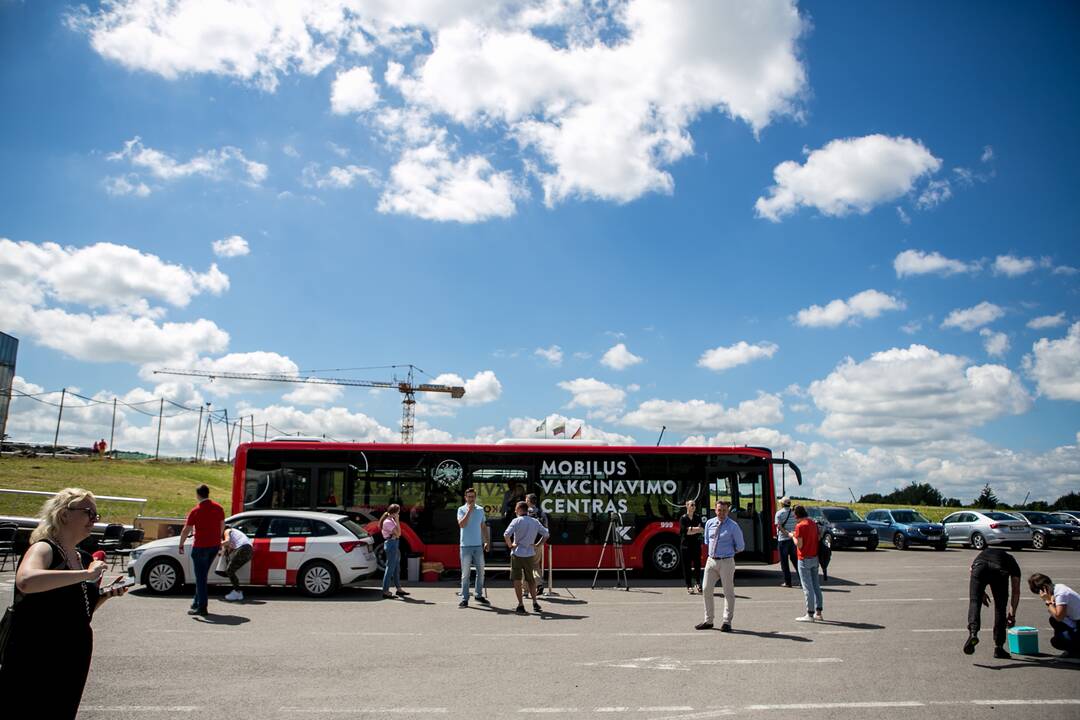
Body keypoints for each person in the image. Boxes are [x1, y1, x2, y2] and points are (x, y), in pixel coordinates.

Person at [0, 488, 127, 717]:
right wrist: (86, 576)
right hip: (37, 654)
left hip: (71, 653)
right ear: (64, 514)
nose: (94, 519)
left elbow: (79, 612)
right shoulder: (45, 548)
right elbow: (26, 581)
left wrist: (106, 594)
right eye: (88, 512)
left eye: (95, 515)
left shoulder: (83, 558)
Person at [695, 499, 744, 632]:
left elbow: (741, 546)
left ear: (727, 511)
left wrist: (729, 552)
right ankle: (708, 620)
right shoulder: (710, 523)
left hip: (726, 562)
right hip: (711, 561)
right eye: (719, 510)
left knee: (728, 592)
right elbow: (707, 541)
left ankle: (727, 622)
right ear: (715, 510)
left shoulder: (733, 526)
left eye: (724, 510)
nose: (721, 513)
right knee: (706, 589)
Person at [963, 546, 1021, 659]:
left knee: (975, 602)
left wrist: (981, 592)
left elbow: (971, 569)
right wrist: (1012, 615)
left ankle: (973, 633)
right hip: (999, 570)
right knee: (1000, 608)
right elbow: (1016, 591)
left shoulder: (983, 554)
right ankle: (999, 647)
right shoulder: (1012, 562)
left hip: (979, 568)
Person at [178, 484, 225, 616]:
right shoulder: (219, 508)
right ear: (208, 493)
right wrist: (218, 539)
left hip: (200, 547)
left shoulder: (196, 510)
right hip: (214, 546)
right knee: (202, 576)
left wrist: (181, 544)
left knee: (200, 578)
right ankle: (195, 603)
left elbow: (186, 530)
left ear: (198, 495)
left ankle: (202, 607)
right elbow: (222, 525)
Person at [504, 500, 550, 615]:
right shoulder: (535, 522)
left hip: (517, 554)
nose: (515, 510)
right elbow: (546, 534)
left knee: (517, 579)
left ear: (519, 510)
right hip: (530, 554)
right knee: (531, 579)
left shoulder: (516, 521)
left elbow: (506, 535)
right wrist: (538, 544)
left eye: (516, 508)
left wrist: (511, 545)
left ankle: (521, 604)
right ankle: (535, 602)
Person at [1028, 573, 1080, 658]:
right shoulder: (1058, 587)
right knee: (1053, 620)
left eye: (1039, 592)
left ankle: (1075, 649)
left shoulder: (1061, 594)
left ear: (1044, 588)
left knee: (1057, 641)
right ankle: (1074, 649)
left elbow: (1059, 617)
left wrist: (1048, 602)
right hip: (1076, 621)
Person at [457, 487, 490, 608]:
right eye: (469, 497)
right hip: (465, 546)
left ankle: (478, 594)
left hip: (478, 545)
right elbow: (462, 524)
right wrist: (469, 511)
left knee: (481, 572)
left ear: (475, 497)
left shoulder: (480, 510)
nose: (471, 499)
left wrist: (486, 541)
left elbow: (483, 526)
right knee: (465, 574)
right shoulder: (461, 509)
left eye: (473, 497)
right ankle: (465, 598)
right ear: (465, 498)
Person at [791, 505, 823, 622]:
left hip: (804, 558)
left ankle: (809, 614)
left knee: (807, 587)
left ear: (796, 515)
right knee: (816, 585)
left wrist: (792, 536)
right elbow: (817, 538)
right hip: (814, 557)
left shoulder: (800, 526)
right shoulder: (813, 523)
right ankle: (818, 612)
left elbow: (799, 545)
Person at [380, 504, 408, 599]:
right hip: (391, 544)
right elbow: (399, 533)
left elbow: (397, 534)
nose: (399, 513)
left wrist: (395, 520)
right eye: (398, 511)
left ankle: (398, 588)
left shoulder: (390, 520)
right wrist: (397, 520)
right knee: (390, 568)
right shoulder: (388, 522)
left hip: (394, 543)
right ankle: (385, 591)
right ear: (395, 512)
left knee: (396, 568)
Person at [219, 525, 253, 602]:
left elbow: (227, 541)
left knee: (229, 570)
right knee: (230, 570)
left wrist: (215, 545)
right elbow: (229, 548)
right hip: (248, 550)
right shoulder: (235, 533)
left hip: (243, 549)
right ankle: (237, 592)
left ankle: (237, 592)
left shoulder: (227, 531)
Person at [526, 493, 549, 594]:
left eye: (526, 499)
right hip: (537, 543)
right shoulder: (541, 513)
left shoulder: (525, 513)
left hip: (526, 543)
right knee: (535, 565)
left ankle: (525, 590)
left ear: (528, 501)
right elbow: (546, 531)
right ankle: (539, 584)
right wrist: (540, 543)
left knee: (525, 566)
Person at [679, 499, 703, 594]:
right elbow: (685, 532)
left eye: (694, 505)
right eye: (691, 505)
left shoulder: (698, 517)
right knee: (687, 567)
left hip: (696, 545)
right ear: (687, 506)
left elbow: (701, 529)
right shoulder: (683, 518)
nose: (693, 507)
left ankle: (698, 583)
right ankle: (689, 586)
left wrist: (691, 529)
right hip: (685, 546)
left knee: (697, 566)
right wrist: (694, 529)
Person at [774, 497, 798, 588]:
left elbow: (779, 527)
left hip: (783, 540)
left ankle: (788, 582)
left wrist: (787, 534)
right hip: (793, 540)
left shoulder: (779, 513)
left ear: (782, 504)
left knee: (784, 562)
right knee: (795, 561)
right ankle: (802, 580)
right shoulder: (794, 513)